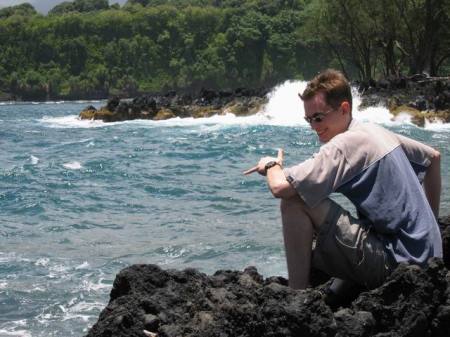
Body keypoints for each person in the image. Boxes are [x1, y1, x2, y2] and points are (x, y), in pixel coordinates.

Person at [244, 69, 442, 296]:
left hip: (397, 266)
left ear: (344, 109)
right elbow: (433, 158)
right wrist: (430, 227)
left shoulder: (344, 145)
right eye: (308, 120)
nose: (314, 127)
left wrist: (270, 165)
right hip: (427, 259)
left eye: (319, 117)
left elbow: (280, 187)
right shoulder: (374, 131)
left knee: (294, 202)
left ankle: (296, 296)